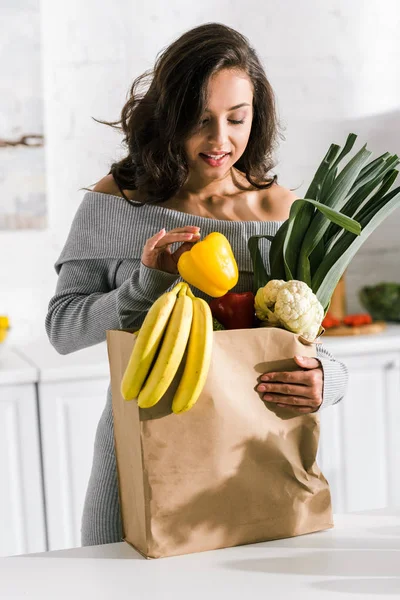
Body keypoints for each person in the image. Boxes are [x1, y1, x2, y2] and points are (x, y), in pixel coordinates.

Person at [45, 22, 348, 547]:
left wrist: (329, 378)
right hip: (138, 464)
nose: (219, 140)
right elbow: (63, 329)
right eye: (200, 119)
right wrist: (148, 283)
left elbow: (307, 337)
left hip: (252, 467)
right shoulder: (118, 201)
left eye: (237, 119)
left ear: (258, 115)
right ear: (169, 116)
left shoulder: (280, 210)